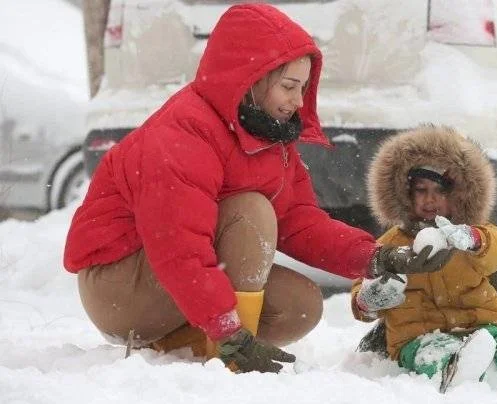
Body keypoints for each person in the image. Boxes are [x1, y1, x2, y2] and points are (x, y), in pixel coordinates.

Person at [63, 4, 452, 374]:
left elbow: (300, 223)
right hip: (119, 285)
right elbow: (178, 248)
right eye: (288, 86)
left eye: (303, 87)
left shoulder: (267, 137)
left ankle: (192, 345)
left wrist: (376, 257)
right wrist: (230, 331)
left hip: (171, 274)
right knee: (251, 210)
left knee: (300, 306)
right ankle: (229, 350)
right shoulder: (181, 135)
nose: (298, 101)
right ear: (249, 79)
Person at [351, 125, 497, 392]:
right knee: (430, 352)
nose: (430, 199)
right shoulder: (390, 245)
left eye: (440, 191)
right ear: (405, 194)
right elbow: (361, 292)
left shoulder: (472, 235)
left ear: (459, 195)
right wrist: (371, 299)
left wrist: (472, 238)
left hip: (483, 328)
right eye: (421, 190)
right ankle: (454, 367)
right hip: (419, 337)